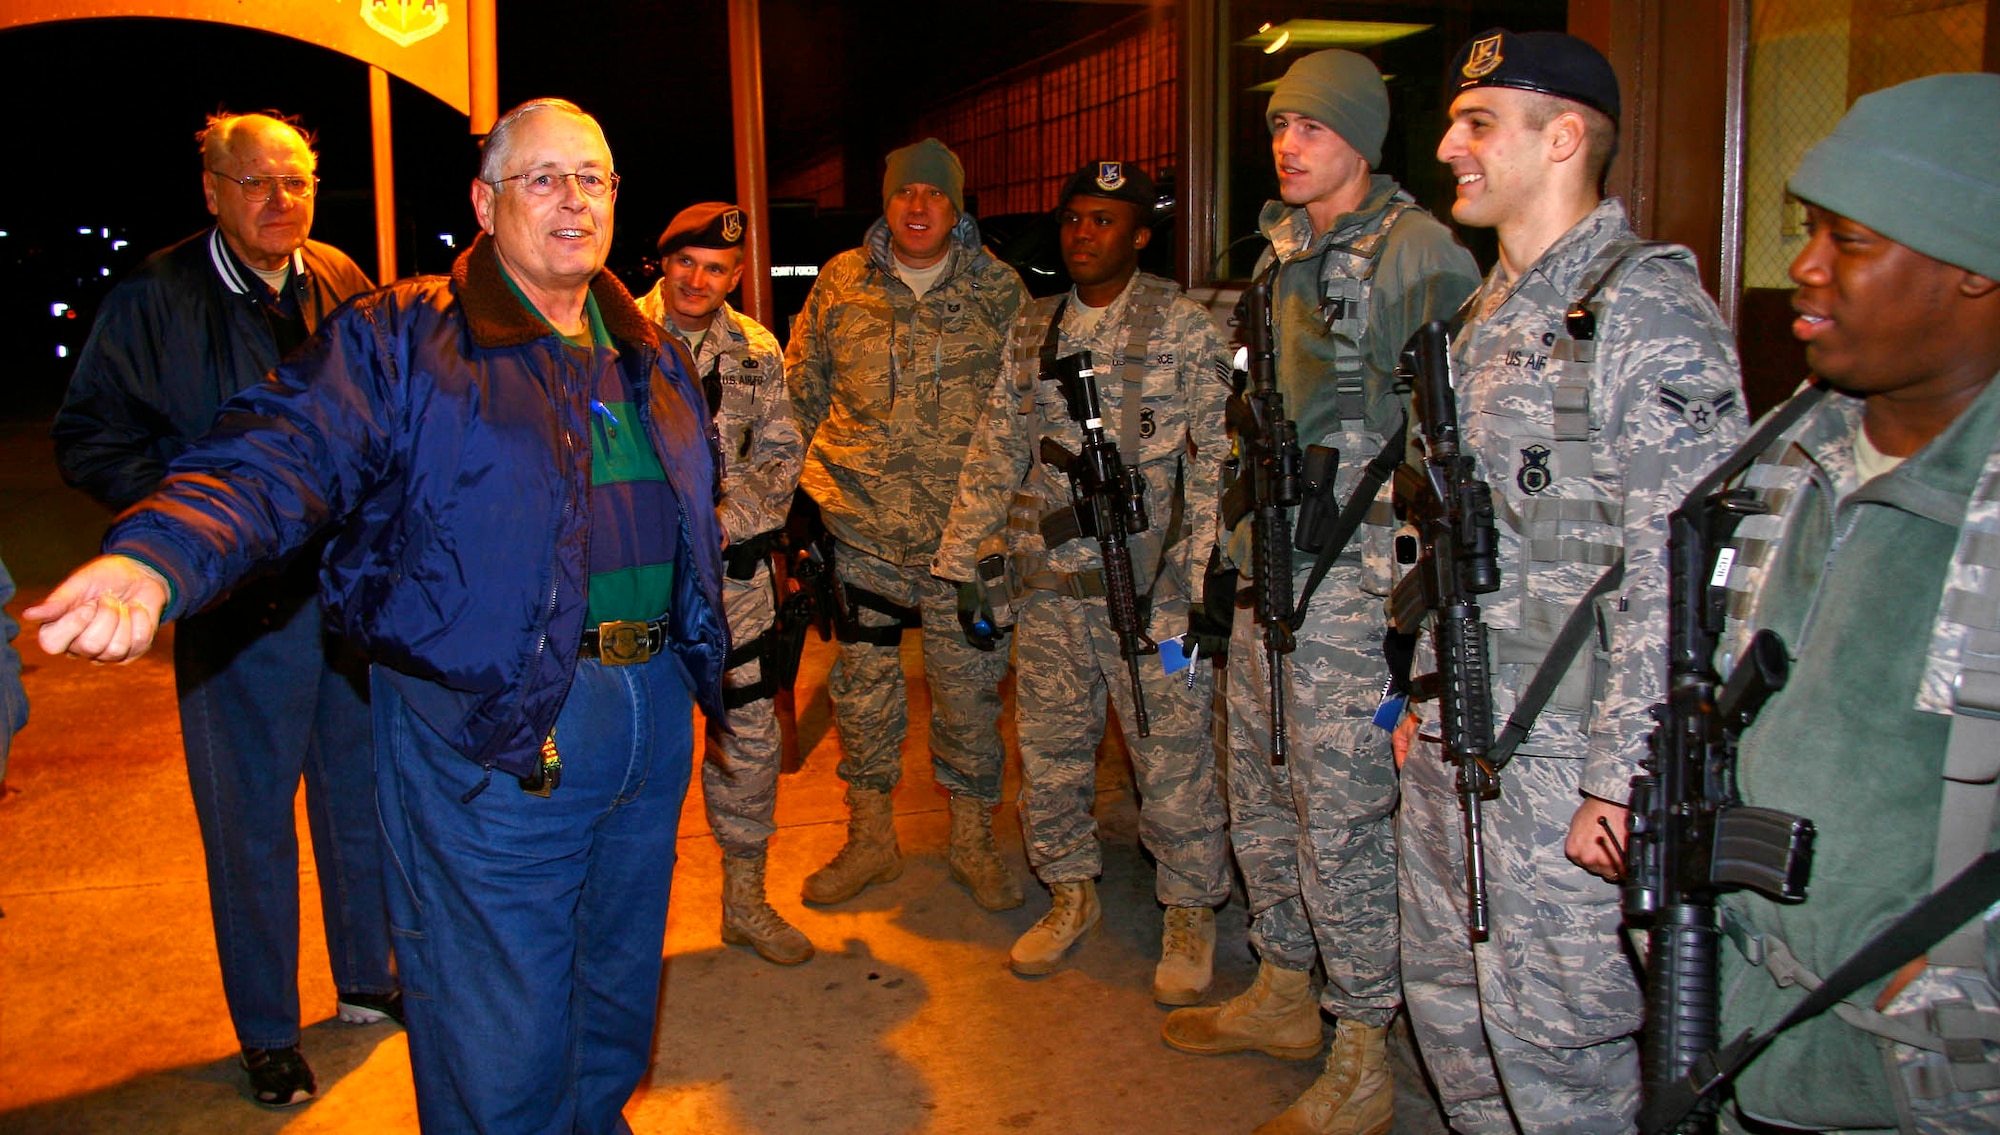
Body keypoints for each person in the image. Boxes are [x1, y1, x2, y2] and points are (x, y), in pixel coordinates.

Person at [28, 98, 728, 1134]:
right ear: (485, 202)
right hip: (495, 726)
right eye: (541, 177)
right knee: (499, 1033)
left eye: (592, 176)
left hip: (645, 719)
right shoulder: (405, 335)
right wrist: (159, 553)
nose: (571, 198)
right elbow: (275, 452)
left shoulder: (647, 349)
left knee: (610, 1004)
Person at [1394, 31, 1747, 1132]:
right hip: (1455, 736)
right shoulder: (1473, 320)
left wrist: (1622, 777)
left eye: (1476, 122)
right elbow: (1429, 536)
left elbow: (1679, 568)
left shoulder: (1642, 311)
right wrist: (1407, 693)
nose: (1448, 144)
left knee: (1557, 1052)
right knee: (1450, 1011)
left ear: (1561, 137)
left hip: (1564, 771)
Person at [1159, 51, 1480, 1135]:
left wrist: (1420, 635)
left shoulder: (1417, 254)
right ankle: (1285, 989)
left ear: (1362, 136)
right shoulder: (1281, 251)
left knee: (1341, 820)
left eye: (1311, 125)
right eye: (1278, 123)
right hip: (1269, 572)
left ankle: (1361, 1046)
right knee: (1260, 790)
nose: (1288, 143)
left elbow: (1452, 449)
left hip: (1354, 591)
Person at [49, 110, 395, 1107]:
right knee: (249, 826)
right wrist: (198, 514)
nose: (280, 202)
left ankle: (368, 979)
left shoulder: (339, 279)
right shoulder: (155, 300)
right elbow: (88, 435)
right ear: (211, 190)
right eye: (255, 184)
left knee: (356, 798)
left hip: (341, 594)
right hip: (237, 610)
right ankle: (268, 1030)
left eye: (296, 183)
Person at [1710, 73, 2000, 1133]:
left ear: (1972, 267)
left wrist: (1943, 984)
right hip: (1746, 1024)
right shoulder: (1794, 445)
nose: (1803, 267)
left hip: (1923, 1075)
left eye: (1851, 240)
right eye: (1806, 230)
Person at [934, 159, 1232, 999]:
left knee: (1170, 758)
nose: (1083, 234)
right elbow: (995, 448)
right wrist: (965, 561)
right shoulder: (1033, 330)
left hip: (1155, 599)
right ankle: (1069, 890)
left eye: (1104, 221)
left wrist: (1199, 576)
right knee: (1053, 755)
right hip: (1053, 593)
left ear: (1140, 233)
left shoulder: (1184, 328)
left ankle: (1189, 906)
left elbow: (1217, 460)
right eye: (1072, 219)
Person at [784, 138, 1030, 912]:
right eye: (903, 194)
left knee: (969, 693)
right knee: (862, 691)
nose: (917, 205)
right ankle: (871, 838)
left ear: (958, 206)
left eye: (933, 193)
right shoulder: (841, 282)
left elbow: (1025, 408)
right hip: (863, 532)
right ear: (885, 204)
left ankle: (971, 839)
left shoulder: (999, 288)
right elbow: (803, 390)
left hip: (967, 541)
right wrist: (805, 501)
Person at [636, 201, 813, 966]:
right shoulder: (611, 336)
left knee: (747, 735)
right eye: (686, 262)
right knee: (639, 743)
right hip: (638, 581)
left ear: (735, 276)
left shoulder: (755, 348)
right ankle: (626, 914)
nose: (698, 280)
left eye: (716, 269)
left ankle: (745, 900)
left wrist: (723, 521)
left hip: (735, 581)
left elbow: (783, 454)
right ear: (662, 262)